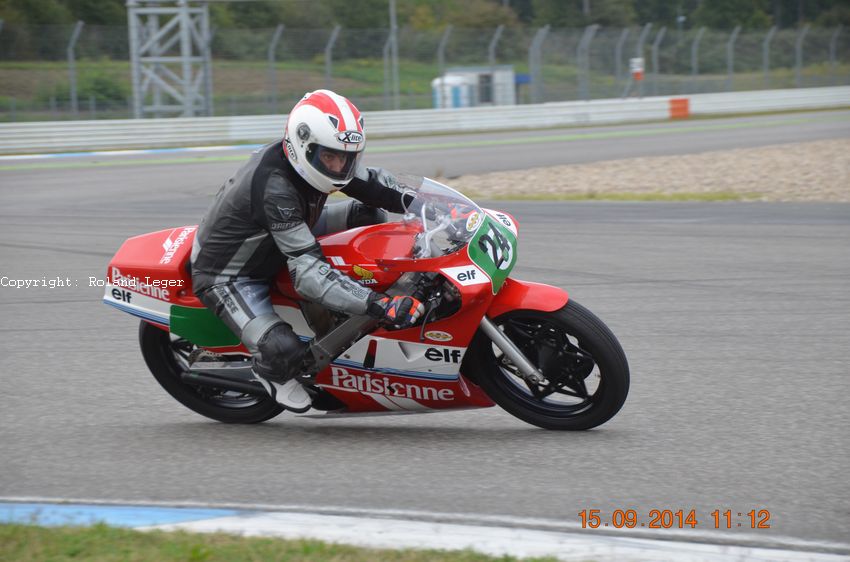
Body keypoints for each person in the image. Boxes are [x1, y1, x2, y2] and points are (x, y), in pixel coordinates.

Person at [190, 89, 424, 413]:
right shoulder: (276, 187)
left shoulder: (320, 160)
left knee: (368, 216)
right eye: (330, 157)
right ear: (302, 146)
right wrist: (378, 304)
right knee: (283, 351)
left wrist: (430, 205)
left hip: (279, 236)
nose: (339, 166)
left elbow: (376, 185)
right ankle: (269, 372)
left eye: (347, 157)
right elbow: (308, 274)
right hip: (229, 273)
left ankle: (336, 318)